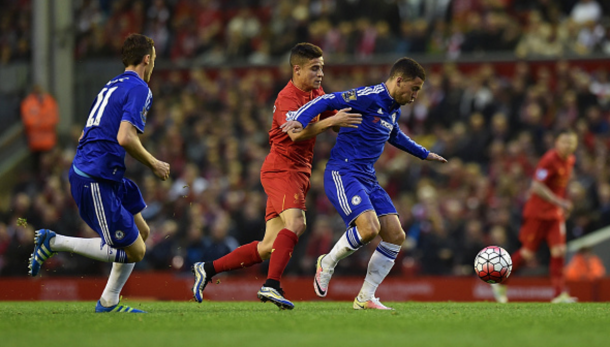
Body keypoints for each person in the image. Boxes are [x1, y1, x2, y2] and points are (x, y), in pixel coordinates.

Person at [191, 43, 362, 310]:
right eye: (314, 68)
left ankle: (207, 269)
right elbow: (296, 133)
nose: (320, 74)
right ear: (297, 69)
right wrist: (331, 121)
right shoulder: (287, 98)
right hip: (282, 168)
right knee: (296, 223)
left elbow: (336, 121)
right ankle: (272, 285)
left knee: (269, 244)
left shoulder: (316, 92)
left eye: (322, 68)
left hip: (299, 171)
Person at [281, 57, 447, 309]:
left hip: (367, 176)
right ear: (398, 80)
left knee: (395, 235)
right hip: (343, 171)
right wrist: (300, 120)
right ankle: (327, 262)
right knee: (369, 229)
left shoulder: (393, 108)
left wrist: (424, 153)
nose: (415, 96)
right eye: (414, 89)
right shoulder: (368, 96)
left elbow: (395, 135)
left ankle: (365, 297)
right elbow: (327, 100)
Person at [28, 34, 170, 313]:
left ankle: (109, 301)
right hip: (95, 176)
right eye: (154, 58)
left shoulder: (111, 85)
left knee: (142, 230)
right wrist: (154, 163)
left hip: (105, 172)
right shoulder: (140, 88)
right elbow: (125, 137)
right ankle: (54, 242)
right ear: (147, 59)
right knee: (137, 250)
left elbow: (86, 132)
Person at [491, 129, 578, 304]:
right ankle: (501, 281)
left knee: (559, 250)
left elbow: (559, 187)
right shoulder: (549, 160)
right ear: (556, 143)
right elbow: (537, 186)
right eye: (564, 142)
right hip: (537, 213)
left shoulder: (570, 160)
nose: (567, 145)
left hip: (554, 214)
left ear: (575, 145)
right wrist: (560, 202)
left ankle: (559, 294)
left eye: (570, 142)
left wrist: (563, 205)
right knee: (527, 253)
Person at [20, 84, 59, 163]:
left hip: (49, 142)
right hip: (35, 142)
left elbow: (53, 119)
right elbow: (28, 121)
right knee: (36, 165)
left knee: (49, 164)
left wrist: (39, 122)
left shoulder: (50, 101)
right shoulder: (28, 102)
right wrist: (43, 122)